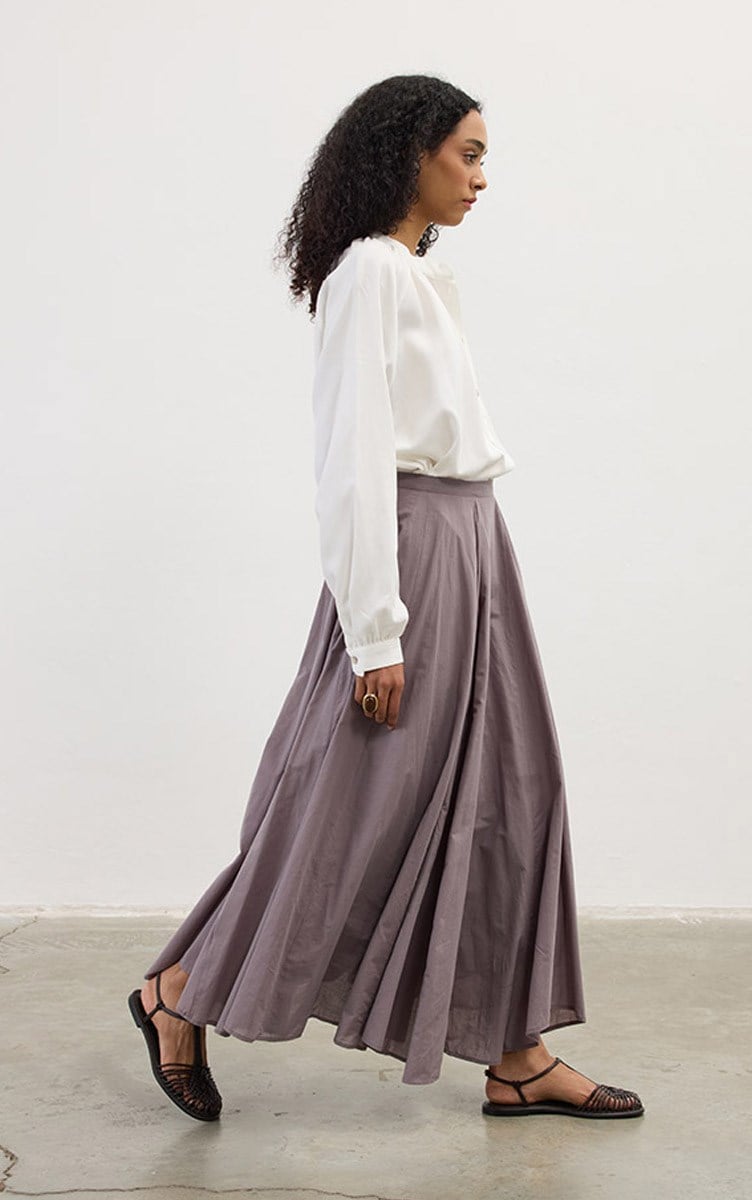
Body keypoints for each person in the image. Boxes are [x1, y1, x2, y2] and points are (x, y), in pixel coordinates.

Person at [128, 74, 644, 1124]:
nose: (481, 177)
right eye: (468, 153)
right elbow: (353, 459)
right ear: (410, 152)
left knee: (508, 794)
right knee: (350, 803)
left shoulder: (414, 275)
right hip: (416, 553)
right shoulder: (368, 271)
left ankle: (517, 1055)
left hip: (474, 542)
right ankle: (177, 988)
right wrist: (375, 633)